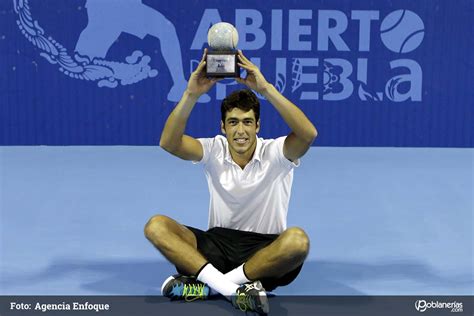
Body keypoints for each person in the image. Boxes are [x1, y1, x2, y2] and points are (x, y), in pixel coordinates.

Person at [145, 49, 317, 314]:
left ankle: (212, 286)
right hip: (216, 247)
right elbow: (168, 143)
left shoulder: (277, 153)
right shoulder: (214, 150)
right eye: (233, 122)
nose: (240, 130)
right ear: (223, 127)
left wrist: (266, 89)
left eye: (248, 122)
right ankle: (237, 291)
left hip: (265, 252)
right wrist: (191, 94)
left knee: (298, 241)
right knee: (156, 226)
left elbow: (308, 134)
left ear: (258, 126)